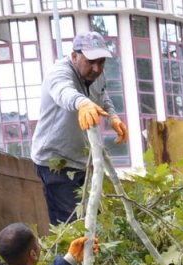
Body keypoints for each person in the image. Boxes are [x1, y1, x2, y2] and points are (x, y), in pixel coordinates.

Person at [29, 31, 128, 225]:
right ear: (74, 56)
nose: (97, 68)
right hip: (56, 163)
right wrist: (82, 103)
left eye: (101, 62)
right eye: (91, 62)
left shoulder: (97, 73)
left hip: (83, 162)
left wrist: (113, 117)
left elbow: (103, 95)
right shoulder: (59, 73)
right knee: (72, 226)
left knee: (94, 221)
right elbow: (64, 92)